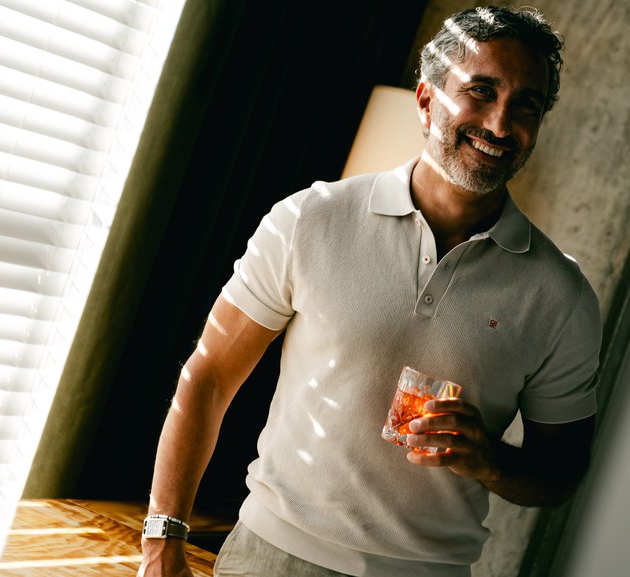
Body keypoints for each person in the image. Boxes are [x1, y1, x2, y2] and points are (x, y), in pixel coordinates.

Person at [137, 6, 601, 577]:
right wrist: (162, 542)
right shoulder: (311, 218)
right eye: (481, 92)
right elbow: (206, 377)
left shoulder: (562, 296)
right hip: (269, 559)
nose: (502, 125)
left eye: (525, 104)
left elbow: (561, 472)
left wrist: (490, 460)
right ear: (427, 101)